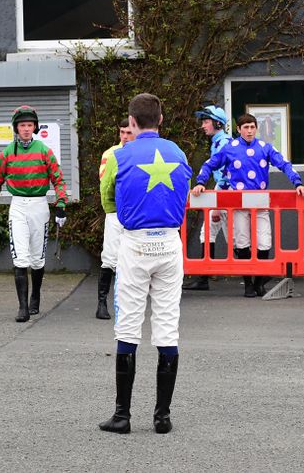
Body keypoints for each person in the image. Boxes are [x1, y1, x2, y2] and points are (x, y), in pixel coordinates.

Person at [98, 92, 192, 435]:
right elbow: (182, 195)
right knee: (167, 327)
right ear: (161, 120)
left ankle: (122, 416)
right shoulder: (178, 153)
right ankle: (162, 417)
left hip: (135, 243)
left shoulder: (121, 155)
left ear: (132, 122)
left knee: (128, 326)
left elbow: (108, 196)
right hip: (169, 241)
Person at [191, 113, 304, 298]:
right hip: (238, 204)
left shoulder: (265, 147)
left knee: (264, 241)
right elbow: (209, 165)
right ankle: (248, 285)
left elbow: (284, 164)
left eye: (252, 127)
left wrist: (298, 183)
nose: (249, 131)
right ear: (238, 129)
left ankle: (258, 282)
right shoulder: (230, 148)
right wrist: (200, 182)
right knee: (242, 242)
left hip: (260, 203)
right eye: (245, 127)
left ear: (256, 128)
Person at [0, 106, 67, 322]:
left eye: (30, 125)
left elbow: (58, 179)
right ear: (16, 128)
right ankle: (22, 307)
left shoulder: (44, 151)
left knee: (37, 259)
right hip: (18, 205)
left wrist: (61, 204)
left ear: (35, 127)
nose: (27, 129)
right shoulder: (7, 153)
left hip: (39, 204)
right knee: (20, 257)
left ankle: (35, 297)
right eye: (22, 125)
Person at [182, 105, 231, 291]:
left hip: (225, 194)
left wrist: (218, 201)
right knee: (214, 235)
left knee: (235, 239)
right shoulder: (219, 141)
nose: (203, 125)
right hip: (225, 193)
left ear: (218, 123)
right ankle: (204, 277)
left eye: (206, 121)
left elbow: (227, 174)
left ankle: (254, 280)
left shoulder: (223, 143)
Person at [97, 117, 136, 320]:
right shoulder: (110, 154)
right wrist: (111, 209)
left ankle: (130, 302)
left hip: (135, 214)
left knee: (134, 259)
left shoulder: (141, 153)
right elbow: (105, 183)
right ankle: (101, 303)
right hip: (115, 213)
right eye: (122, 132)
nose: (125, 137)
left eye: (129, 132)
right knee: (110, 258)